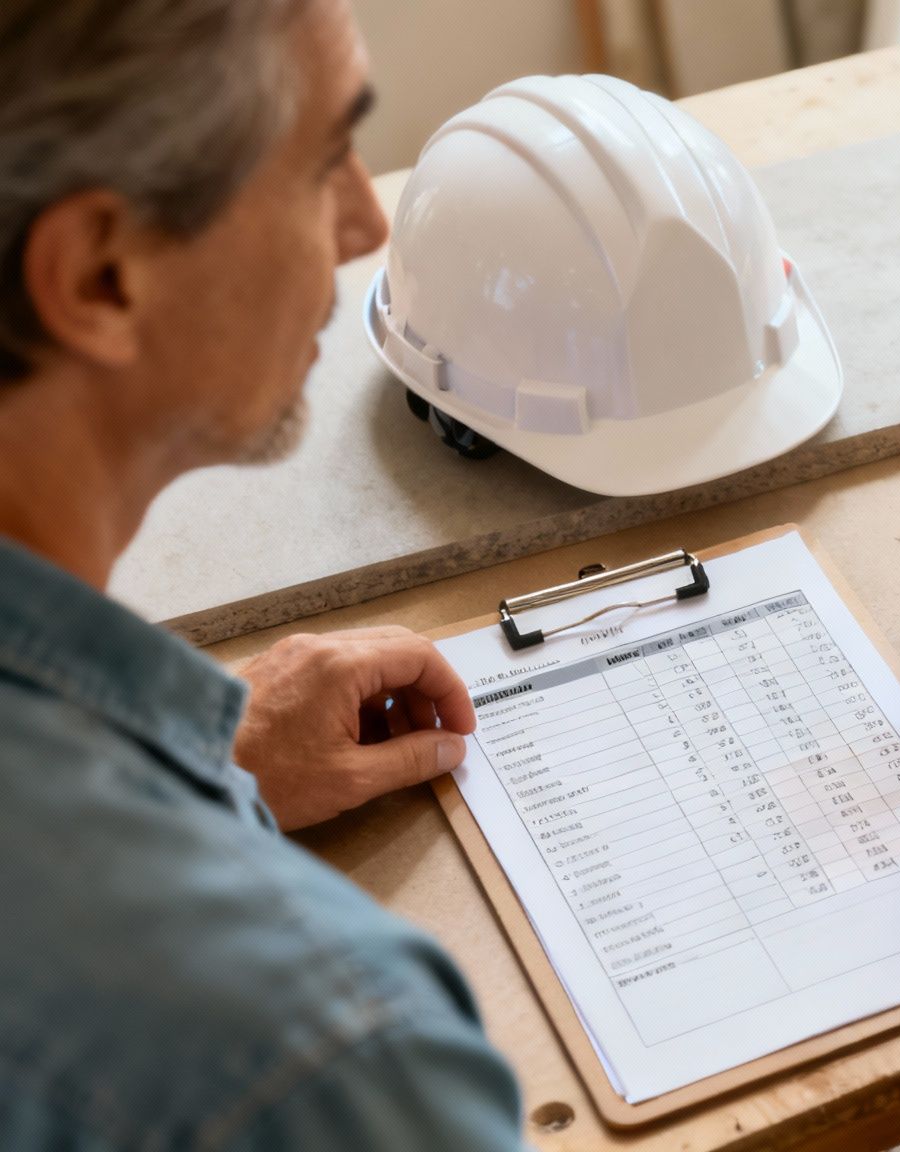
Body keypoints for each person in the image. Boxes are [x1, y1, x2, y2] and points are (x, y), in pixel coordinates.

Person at [0, 0, 524, 1146]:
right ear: (100, 277)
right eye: (326, 156)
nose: (362, 222)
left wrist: (202, 774)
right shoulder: (331, 1055)